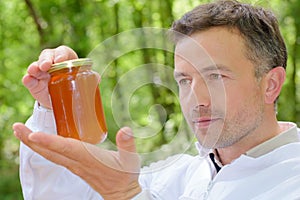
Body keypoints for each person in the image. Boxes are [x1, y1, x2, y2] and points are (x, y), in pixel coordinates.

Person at [13, 0, 300, 199]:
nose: (197, 99)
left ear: (270, 84)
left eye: (216, 77)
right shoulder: (180, 174)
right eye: (185, 80)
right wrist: (57, 108)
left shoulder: (292, 181)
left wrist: (127, 196)